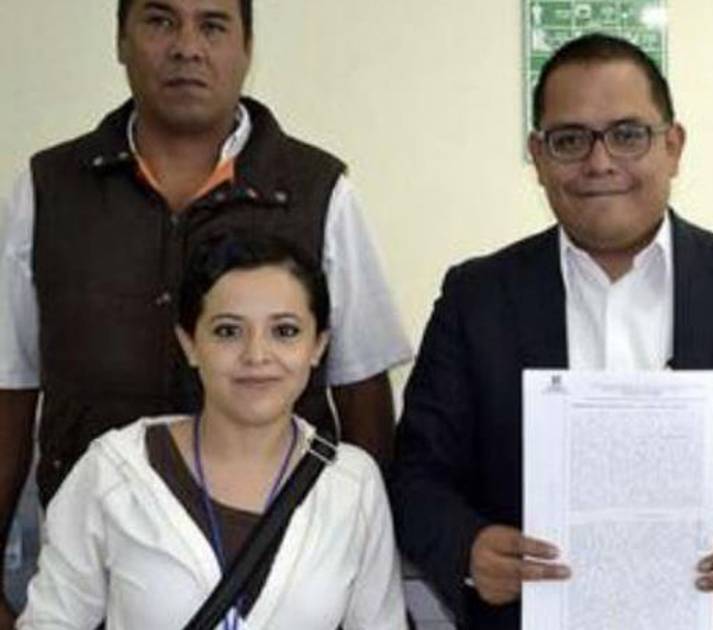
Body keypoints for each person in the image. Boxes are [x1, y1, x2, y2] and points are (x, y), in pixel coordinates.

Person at [0, 1, 411, 621]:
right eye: (160, 21)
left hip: (292, 565)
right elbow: (9, 388)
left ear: (247, 47)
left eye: (213, 25)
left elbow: (363, 395)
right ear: (121, 40)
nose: (187, 47)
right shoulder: (48, 189)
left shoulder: (318, 189)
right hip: (92, 566)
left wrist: (360, 543)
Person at [392, 33, 713, 630]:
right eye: (570, 140)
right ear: (538, 157)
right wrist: (468, 548)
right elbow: (416, 475)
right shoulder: (476, 298)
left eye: (628, 134)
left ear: (673, 146)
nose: (600, 162)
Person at [17, 232, 406, 629]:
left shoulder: (351, 484)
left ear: (318, 346)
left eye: (285, 331)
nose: (256, 355)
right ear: (189, 344)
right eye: (228, 331)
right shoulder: (114, 472)